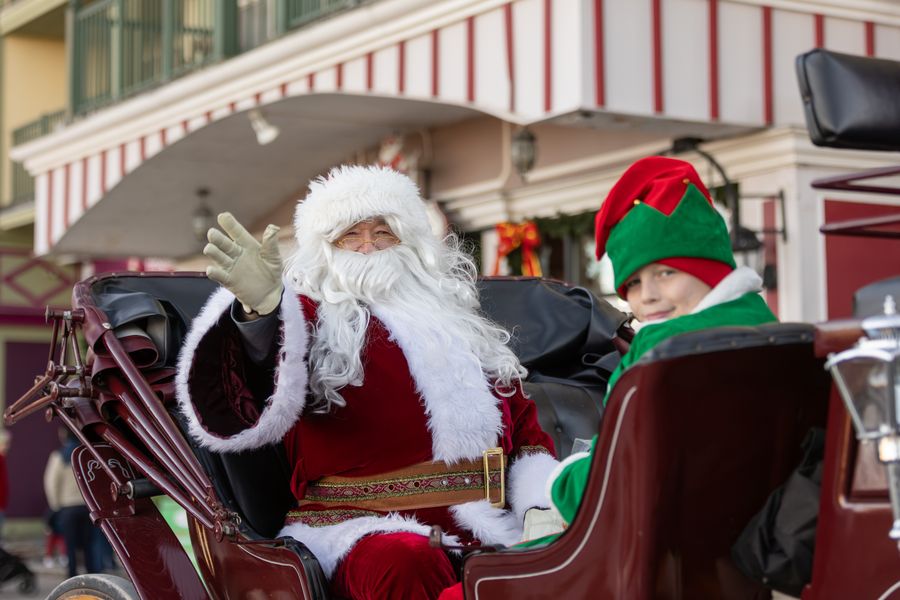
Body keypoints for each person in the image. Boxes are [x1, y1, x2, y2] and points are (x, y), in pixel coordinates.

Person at [176, 165, 558, 599]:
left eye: (384, 233)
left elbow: (525, 429)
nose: (368, 247)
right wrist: (260, 312)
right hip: (360, 528)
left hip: (491, 522)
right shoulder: (306, 314)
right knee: (407, 559)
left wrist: (539, 502)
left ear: (411, 243)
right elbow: (258, 379)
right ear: (325, 249)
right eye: (350, 236)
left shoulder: (458, 324)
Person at [535, 155, 778, 543]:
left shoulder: (661, 347)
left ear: (708, 268)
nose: (646, 296)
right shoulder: (770, 330)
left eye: (666, 273)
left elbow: (616, 474)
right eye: (632, 282)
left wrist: (560, 484)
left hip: (661, 544)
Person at [43, 428, 102, 577]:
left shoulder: (59, 456)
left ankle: (72, 576)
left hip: (67, 507)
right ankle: (93, 576)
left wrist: (56, 505)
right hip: (88, 507)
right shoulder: (87, 454)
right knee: (89, 544)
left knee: (70, 545)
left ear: (63, 435)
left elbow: (51, 483)